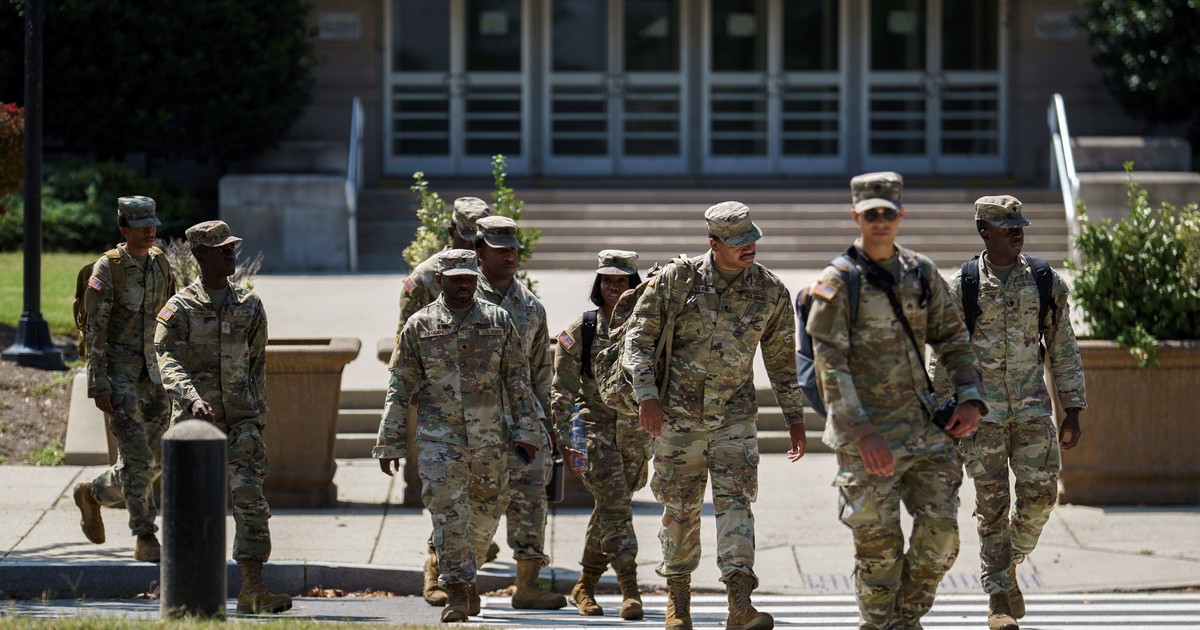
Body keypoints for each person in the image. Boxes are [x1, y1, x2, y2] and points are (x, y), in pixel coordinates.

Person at [805, 172, 986, 630]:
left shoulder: (921, 272)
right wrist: (862, 434)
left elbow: (953, 339)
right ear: (856, 216)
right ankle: (882, 622)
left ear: (900, 215)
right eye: (871, 214)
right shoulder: (838, 280)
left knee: (942, 539)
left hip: (923, 429)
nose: (880, 221)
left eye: (888, 212)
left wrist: (969, 398)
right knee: (879, 555)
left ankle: (902, 620)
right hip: (866, 436)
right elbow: (830, 365)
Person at [625, 201, 807, 630]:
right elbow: (638, 338)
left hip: (733, 417)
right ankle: (678, 602)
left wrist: (794, 418)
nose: (750, 247)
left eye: (752, 238)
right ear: (713, 243)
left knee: (736, 506)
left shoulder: (770, 291)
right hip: (675, 418)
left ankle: (740, 604)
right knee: (680, 509)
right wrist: (646, 396)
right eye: (739, 242)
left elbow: (782, 360)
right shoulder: (677, 279)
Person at [932, 195, 1087, 630]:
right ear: (984, 231)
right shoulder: (960, 284)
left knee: (1040, 498)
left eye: (1020, 226)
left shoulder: (1043, 280)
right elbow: (944, 352)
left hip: (1034, 409)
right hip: (982, 416)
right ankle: (998, 597)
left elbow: (1063, 345)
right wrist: (941, 412)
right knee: (992, 505)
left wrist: (1072, 407)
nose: (1017, 233)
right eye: (1007, 227)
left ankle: (1006, 564)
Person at [373, 249, 543, 623]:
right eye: (456, 279)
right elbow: (399, 386)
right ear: (441, 281)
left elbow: (517, 380)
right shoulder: (419, 326)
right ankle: (457, 591)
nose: (464, 285)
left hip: (490, 439)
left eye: (469, 278)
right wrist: (390, 440)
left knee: (485, 517)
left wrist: (529, 430)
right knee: (448, 515)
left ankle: (466, 577)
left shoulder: (499, 320)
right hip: (440, 438)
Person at [154, 220, 291, 615]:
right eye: (220, 249)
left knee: (251, 503)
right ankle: (186, 594)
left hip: (242, 424)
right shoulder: (178, 310)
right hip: (195, 430)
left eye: (232, 247)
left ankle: (252, 589)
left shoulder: (249, 306)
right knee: (193, 510)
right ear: (199, 255)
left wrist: (257, 415)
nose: (231, 253)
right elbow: (167, 362)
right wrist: (193, 399)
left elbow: (257, 366)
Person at [391, 196, 495, 607]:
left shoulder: (495, 271)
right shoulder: (426, 277)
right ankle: (436, 566)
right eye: (469, 239)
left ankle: (464, 559)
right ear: (452, 232)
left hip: (487, 407)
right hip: (442, 406)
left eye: (480, 242)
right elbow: (405, 344)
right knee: (447, 495)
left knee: (482, 495)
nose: (474, 250)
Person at [472, 215, 567, 610]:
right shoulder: (461, 297)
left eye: (513, 249)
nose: (509, 256)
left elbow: (541, 370)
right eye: (500, 250)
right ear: (479, 251)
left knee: (531, 501)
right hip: (474, 423)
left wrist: (549, 423)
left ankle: (527, 586)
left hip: (524, 423)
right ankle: (452, 579)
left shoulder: (530, 306)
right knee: (475, 505)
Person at [73, 196, 174, 562]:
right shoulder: (108, 269)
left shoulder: (161, 263)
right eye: (141, 225)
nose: (150, 230)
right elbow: (95, 331)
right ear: (123, 228)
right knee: (137, 456)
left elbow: (169, 319)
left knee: (159, 459)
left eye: (153, 224)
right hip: (119, 375)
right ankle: (145, 536)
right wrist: (98, 383)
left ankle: (93, 493)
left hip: (154, 372)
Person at [550, 249, 650, 620]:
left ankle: (585, 586)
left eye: (622, 281)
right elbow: (561, 388)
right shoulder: (583, 328)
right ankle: (630, 588)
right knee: (616, 505)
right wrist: (565, 435)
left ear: (633, 285)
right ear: (598, 283)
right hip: (595, 429)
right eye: (608, 280)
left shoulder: (646, 325)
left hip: (636, 432)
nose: (614, 287)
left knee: (611, 507)